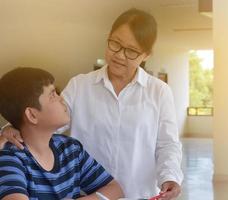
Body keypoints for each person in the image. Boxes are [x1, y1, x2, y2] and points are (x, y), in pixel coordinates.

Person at [1, 8, 183, 199]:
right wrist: (11, 127)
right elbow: (45, 121)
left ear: (146, 54)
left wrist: (170, 177)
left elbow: (168, 144)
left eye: (131, 51)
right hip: (88, 193)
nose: (120, 55)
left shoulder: (159, 92)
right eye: (115, 44)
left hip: (139, 193)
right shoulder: (80, 85)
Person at [0, 68, 124, 200]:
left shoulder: (70, 148)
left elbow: (115, 189)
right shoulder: (10, 157)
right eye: (53, 95)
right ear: (32, 114)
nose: (62, 99)